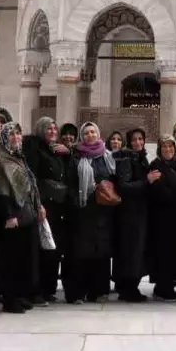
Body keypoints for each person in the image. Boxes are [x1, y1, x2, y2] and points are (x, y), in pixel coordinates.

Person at [0, 121, 44, 314]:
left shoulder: (18, 156)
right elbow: (1, 189)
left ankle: (20, 295)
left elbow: (30, 183)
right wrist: (9, 215)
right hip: (11, 214)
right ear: (5, 137)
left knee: (24, 257)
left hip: (26, 213)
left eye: (18, 134)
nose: (15, 137)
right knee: (10, 259)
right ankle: (9, 299)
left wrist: (38, 205)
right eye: (11, 134)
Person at [65, 122, 116, 304]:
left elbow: (113, 178)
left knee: (102, 253)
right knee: (82, 253)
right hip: (83, 211)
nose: (90, 135)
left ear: (99, 133)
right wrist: (78, 200)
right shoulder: (76, 157)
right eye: (86, 133)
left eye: (93, 131)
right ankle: (79, 291)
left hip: (103, 211)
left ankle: (100, 290)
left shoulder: (107, 156)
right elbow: (71, 183)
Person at [22, 117, 70, 304]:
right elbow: (31, 179)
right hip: (42, 207)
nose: (52, 132)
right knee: (40, 250)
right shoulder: (34, 148)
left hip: (57, 208)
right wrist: (38, 204)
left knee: (52, 249)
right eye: (48, 129)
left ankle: (48, 288)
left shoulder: (55, 150)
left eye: (54, 129)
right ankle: (36, 290)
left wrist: (69, 151)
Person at [147, 135, 176, 302]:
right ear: (159, 149)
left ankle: (167, 284)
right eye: (164, 147)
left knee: (172, 253)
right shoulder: (156, 167)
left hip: (175, 219)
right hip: (162, 219)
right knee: (163, 254)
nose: (168, 150)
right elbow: (160, 193)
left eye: (171, 147)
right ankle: (164, 288)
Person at [113, 127, 150, 302]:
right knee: (131, 251)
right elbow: (124, 186)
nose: (138, 142)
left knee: (134, 250)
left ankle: (127, 286)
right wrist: (146, 181)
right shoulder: (126, 158)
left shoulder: (140, 157)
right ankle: (129, 288)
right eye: (134, 139)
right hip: (130, 213)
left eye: (140, 139)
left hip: (138, 211)